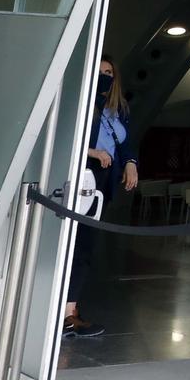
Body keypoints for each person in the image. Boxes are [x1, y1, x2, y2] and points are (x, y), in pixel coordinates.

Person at [64, 57, 138, 338]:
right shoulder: (84, 103)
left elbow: (126, 142)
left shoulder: (118, 110)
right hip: (84, 175)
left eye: (109, 73)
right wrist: (92, 153)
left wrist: (130, 161)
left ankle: (70, 311)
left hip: (103, 181)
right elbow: (68, 139)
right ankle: (65, 314)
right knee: (73, 244)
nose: (105, 79)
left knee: (85, 247)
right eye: (99, 74)